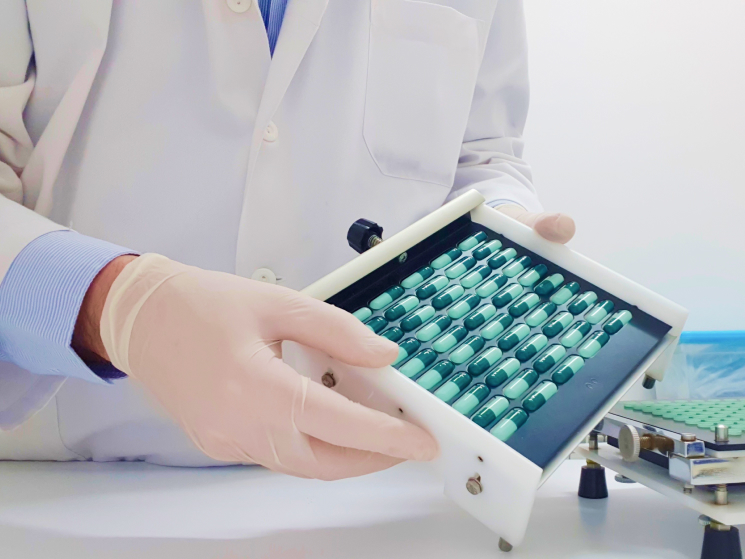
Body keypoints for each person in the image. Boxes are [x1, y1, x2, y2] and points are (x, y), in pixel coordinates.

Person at [0, 1, 575, 479]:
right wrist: (119, 307)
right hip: (77, 475)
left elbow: (481, 154)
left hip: (384, 475)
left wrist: (504, 222)